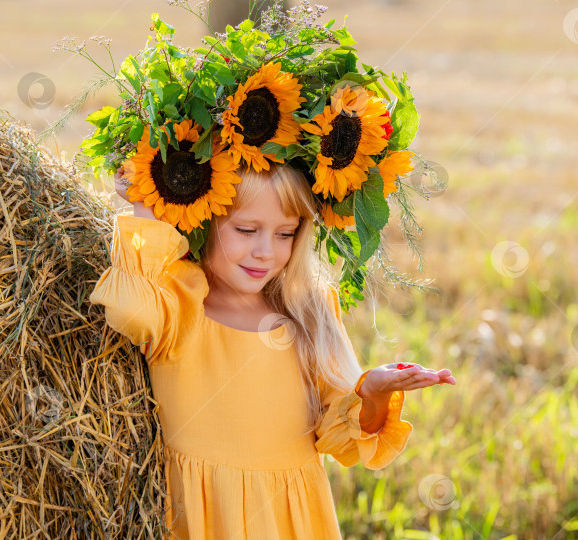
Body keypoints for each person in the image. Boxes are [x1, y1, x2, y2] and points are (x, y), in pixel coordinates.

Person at [89, 163, 456, 539]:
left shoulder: (309, 310)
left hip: (289, 519)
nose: (266, 251)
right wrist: (148, 200)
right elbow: (130, 310)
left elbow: (338, 435)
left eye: (286, 234)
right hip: (202, 518)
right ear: (203, 221)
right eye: (246, 230)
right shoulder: (180, 302)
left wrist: (374, 391)